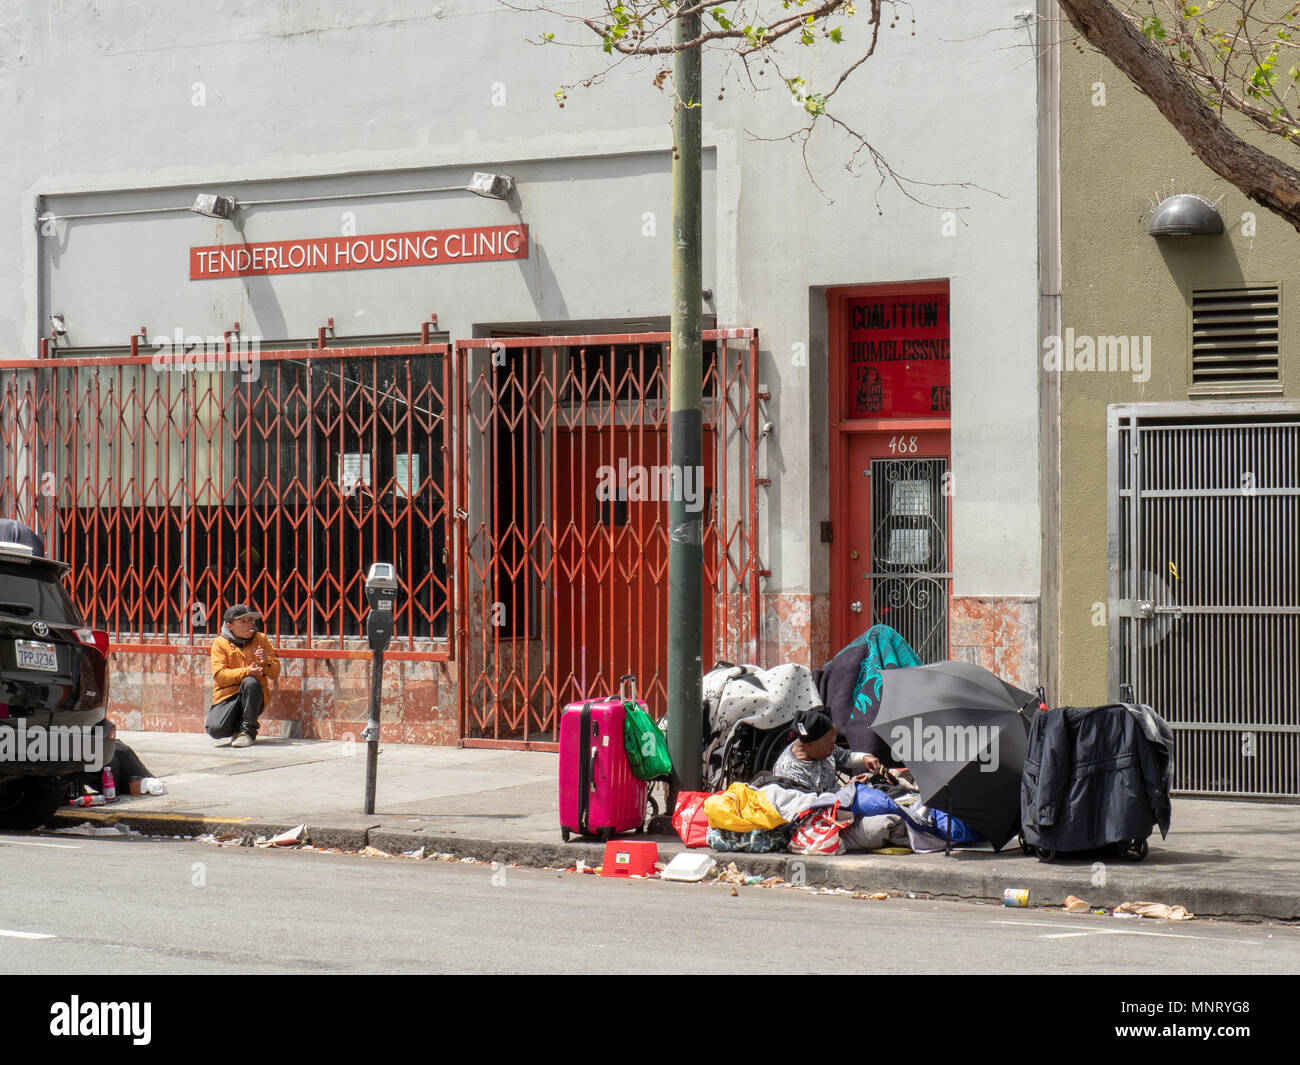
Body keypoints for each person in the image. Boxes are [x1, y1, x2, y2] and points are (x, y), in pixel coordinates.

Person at [207, 604, 280, 748]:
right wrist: (247, 671)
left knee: (250, 682)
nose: (250, 625)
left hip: (253, 695)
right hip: (227, 695)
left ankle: (248, 732)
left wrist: (266, 661)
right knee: (215, 730)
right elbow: (220, 676)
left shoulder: (261, 639)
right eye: (243, 621)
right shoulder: (220, 644)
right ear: (230, 626)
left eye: (251, 620)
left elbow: (275, 672)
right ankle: (237, 729)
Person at [771, 708, 882, 794]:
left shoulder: (822, 749)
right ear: (809, 744)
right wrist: (845, 789)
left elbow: (844, 757)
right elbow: (810, 806)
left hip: (841, 799)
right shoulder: (789, 772)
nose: (833, 748)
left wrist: (865, 758)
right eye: (829, 744)